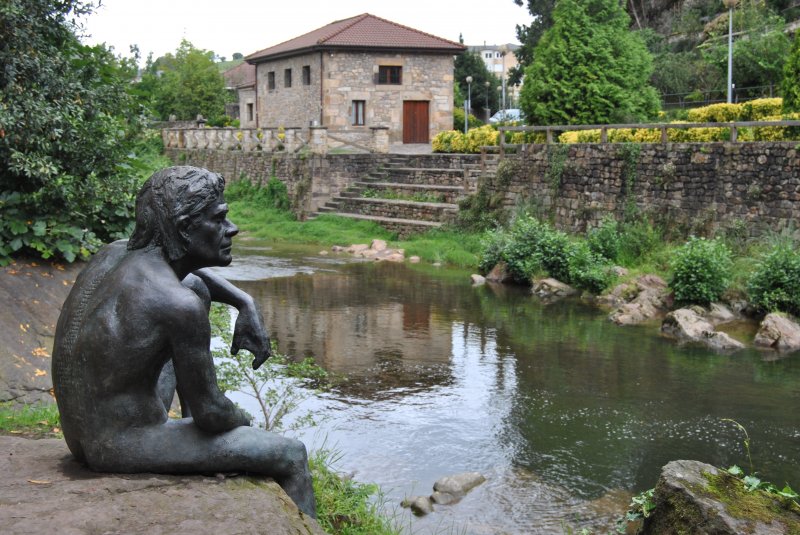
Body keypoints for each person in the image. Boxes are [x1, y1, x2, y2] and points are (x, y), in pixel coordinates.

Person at [51, 166, 316, 517]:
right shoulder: (178, 306)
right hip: (118, 444)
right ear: (184, 229)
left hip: (81, 430)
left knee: (195, 284)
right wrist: (240, 419)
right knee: (292, 454)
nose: (231, 228)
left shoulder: (114, 253)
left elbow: (188, 272)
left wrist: (243, 300)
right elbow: (213, 415)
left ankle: (192, 439)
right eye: (218, 219)